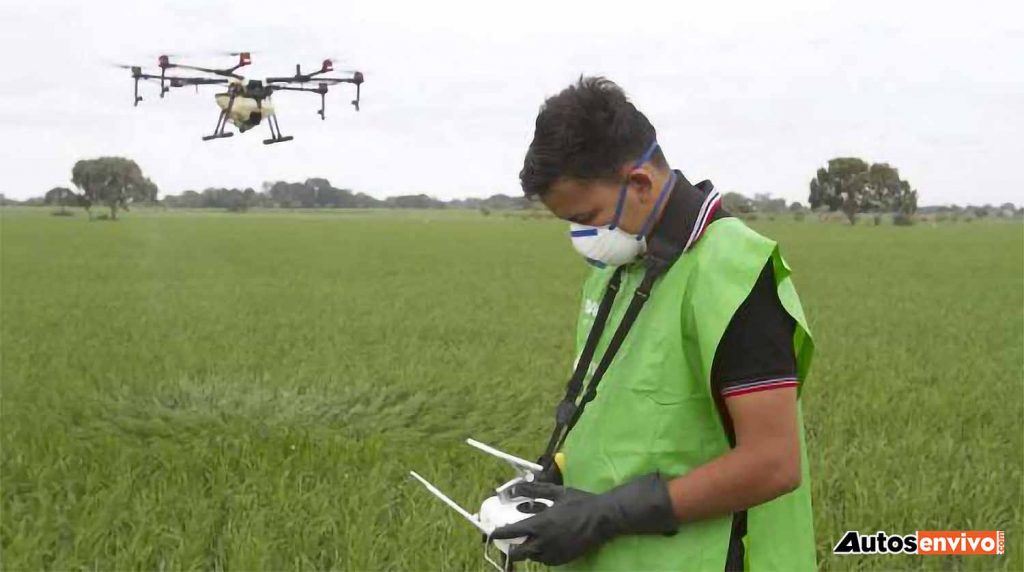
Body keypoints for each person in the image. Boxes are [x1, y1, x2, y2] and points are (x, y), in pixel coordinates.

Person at [491, 77, 816, 571]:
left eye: (589, 216)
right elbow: (626, 412)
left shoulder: (734, 273)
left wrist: (604, 515)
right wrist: (559, 473)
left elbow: (773, 463)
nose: (584, 237)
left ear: (640, 182)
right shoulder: (618, 267)